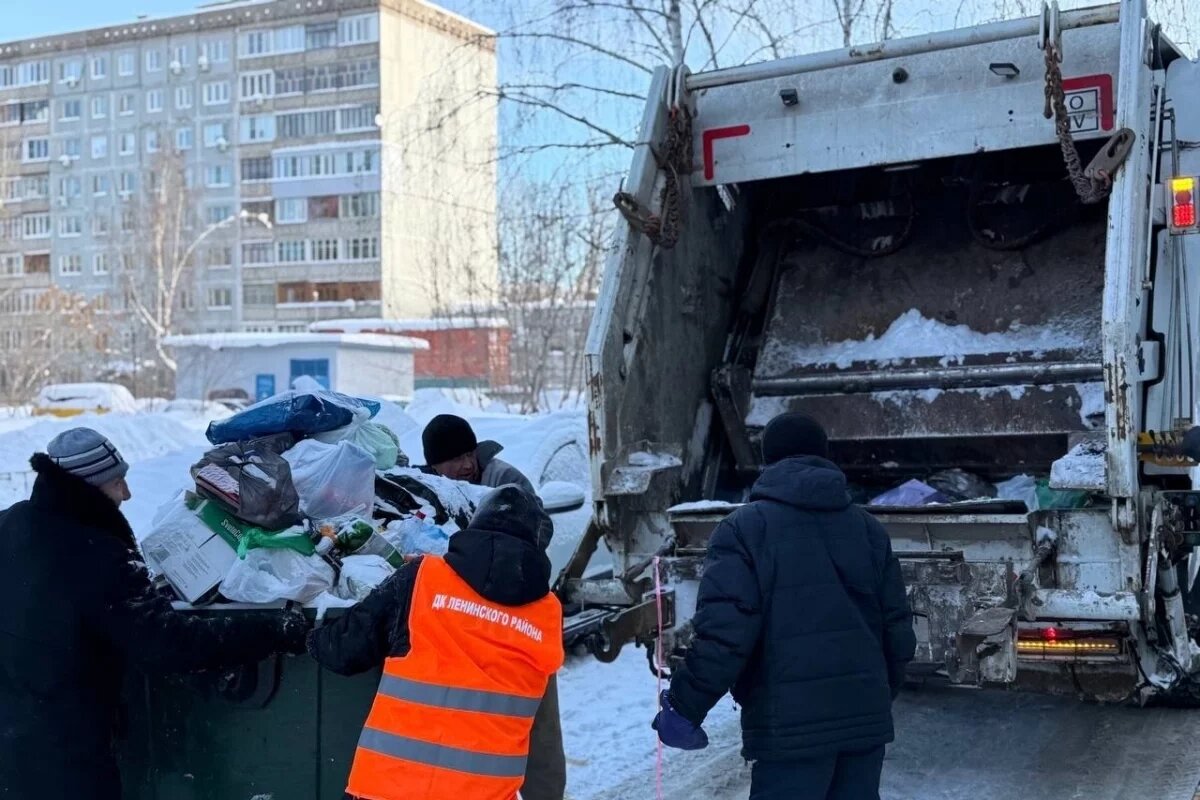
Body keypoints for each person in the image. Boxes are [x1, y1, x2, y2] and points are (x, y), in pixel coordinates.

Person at [0, 427, 310, 800]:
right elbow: (168, 644)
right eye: (116, 483)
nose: (127, 494)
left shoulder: (9, 524)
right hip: (65, 755)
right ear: (86, 490)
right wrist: (275, 630)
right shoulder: (96, 554)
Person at [653, 413, 916, 800]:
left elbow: (724, 637)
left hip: (788, 731)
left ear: (769, 460)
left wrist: (683, 706)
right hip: (864, 729)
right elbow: (897, 630)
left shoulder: (744, 531)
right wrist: (872, 698)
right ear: (824, 457)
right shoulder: (868, 530)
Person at [308, 485, 564, 800]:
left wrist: (300, 632)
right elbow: (545, 742)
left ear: (475, 528)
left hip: (387, 792)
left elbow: (341, 651)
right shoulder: (544, 616)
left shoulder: (423, 579)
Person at [421, 413, 565, 800]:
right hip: (462, 630)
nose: (467, 465)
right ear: (434, 464)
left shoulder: (505, 481)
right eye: (455, 459)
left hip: (519, 620)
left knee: (535, 726)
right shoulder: (425, 489)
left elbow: (540, 533)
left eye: (469, 454)